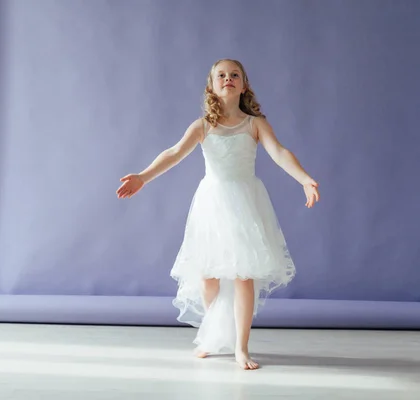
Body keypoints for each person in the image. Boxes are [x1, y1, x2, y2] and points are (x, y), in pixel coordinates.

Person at [116, 59, 320, 370]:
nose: (228, 79)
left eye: (234, 75)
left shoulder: (255, 124)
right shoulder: (203, 126)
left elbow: (279, 152)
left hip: (246, 202)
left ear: (244, 85)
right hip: (212, 204)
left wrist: (304, 178)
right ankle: (212, 335)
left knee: (243, 274)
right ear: (211, 86)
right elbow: (173, 153)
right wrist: (143, 177)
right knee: (208, 276)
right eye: (221, 75)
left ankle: (241, 347)